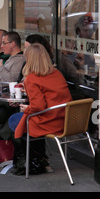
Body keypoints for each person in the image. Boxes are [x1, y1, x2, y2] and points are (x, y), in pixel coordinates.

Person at [8, 43, 72, 175]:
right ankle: (39, 159)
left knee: (15, 120)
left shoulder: (31, 79)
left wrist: (27, 108)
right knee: (23, 120)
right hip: (66, 120)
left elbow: (38, 106)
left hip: (50, 122)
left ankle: (31, 162)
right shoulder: (57, 73)